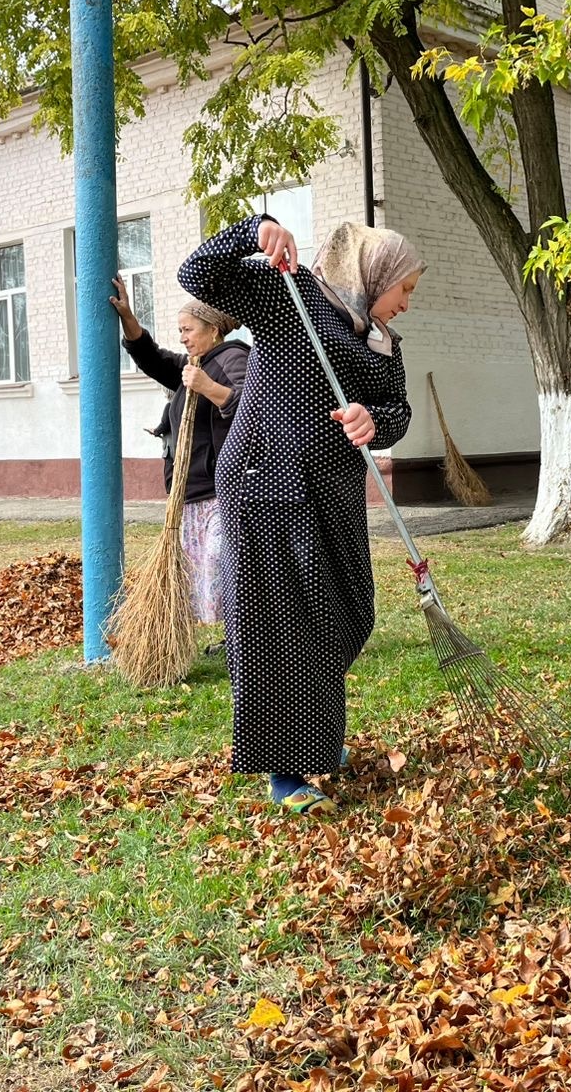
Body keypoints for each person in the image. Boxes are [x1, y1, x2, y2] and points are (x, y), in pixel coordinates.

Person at [178, 213, 422, 816]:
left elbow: (398, 409)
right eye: (405, 289)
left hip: (333, 491)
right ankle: (286, 773)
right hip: (266, 487)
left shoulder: (381, 341)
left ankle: (316, 737)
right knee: (279, 626)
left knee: (347, 614)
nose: (407, 303)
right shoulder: (290, 294)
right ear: (375, 274)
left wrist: (374, 420)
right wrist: (255, 230)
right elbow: (198, 273)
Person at [110, 280, 249, 633]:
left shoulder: (232, 358)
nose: (183, 338)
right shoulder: (194, 365)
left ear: (213, 330)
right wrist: (128, 317)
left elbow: (252, 409)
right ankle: (233, 637)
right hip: (190, 494)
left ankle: (248, 635)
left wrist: (208, 387)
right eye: (180, 331)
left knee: (224, 564)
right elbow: (152, 358)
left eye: (188, 330)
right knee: (201, 571)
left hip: (222, 492)